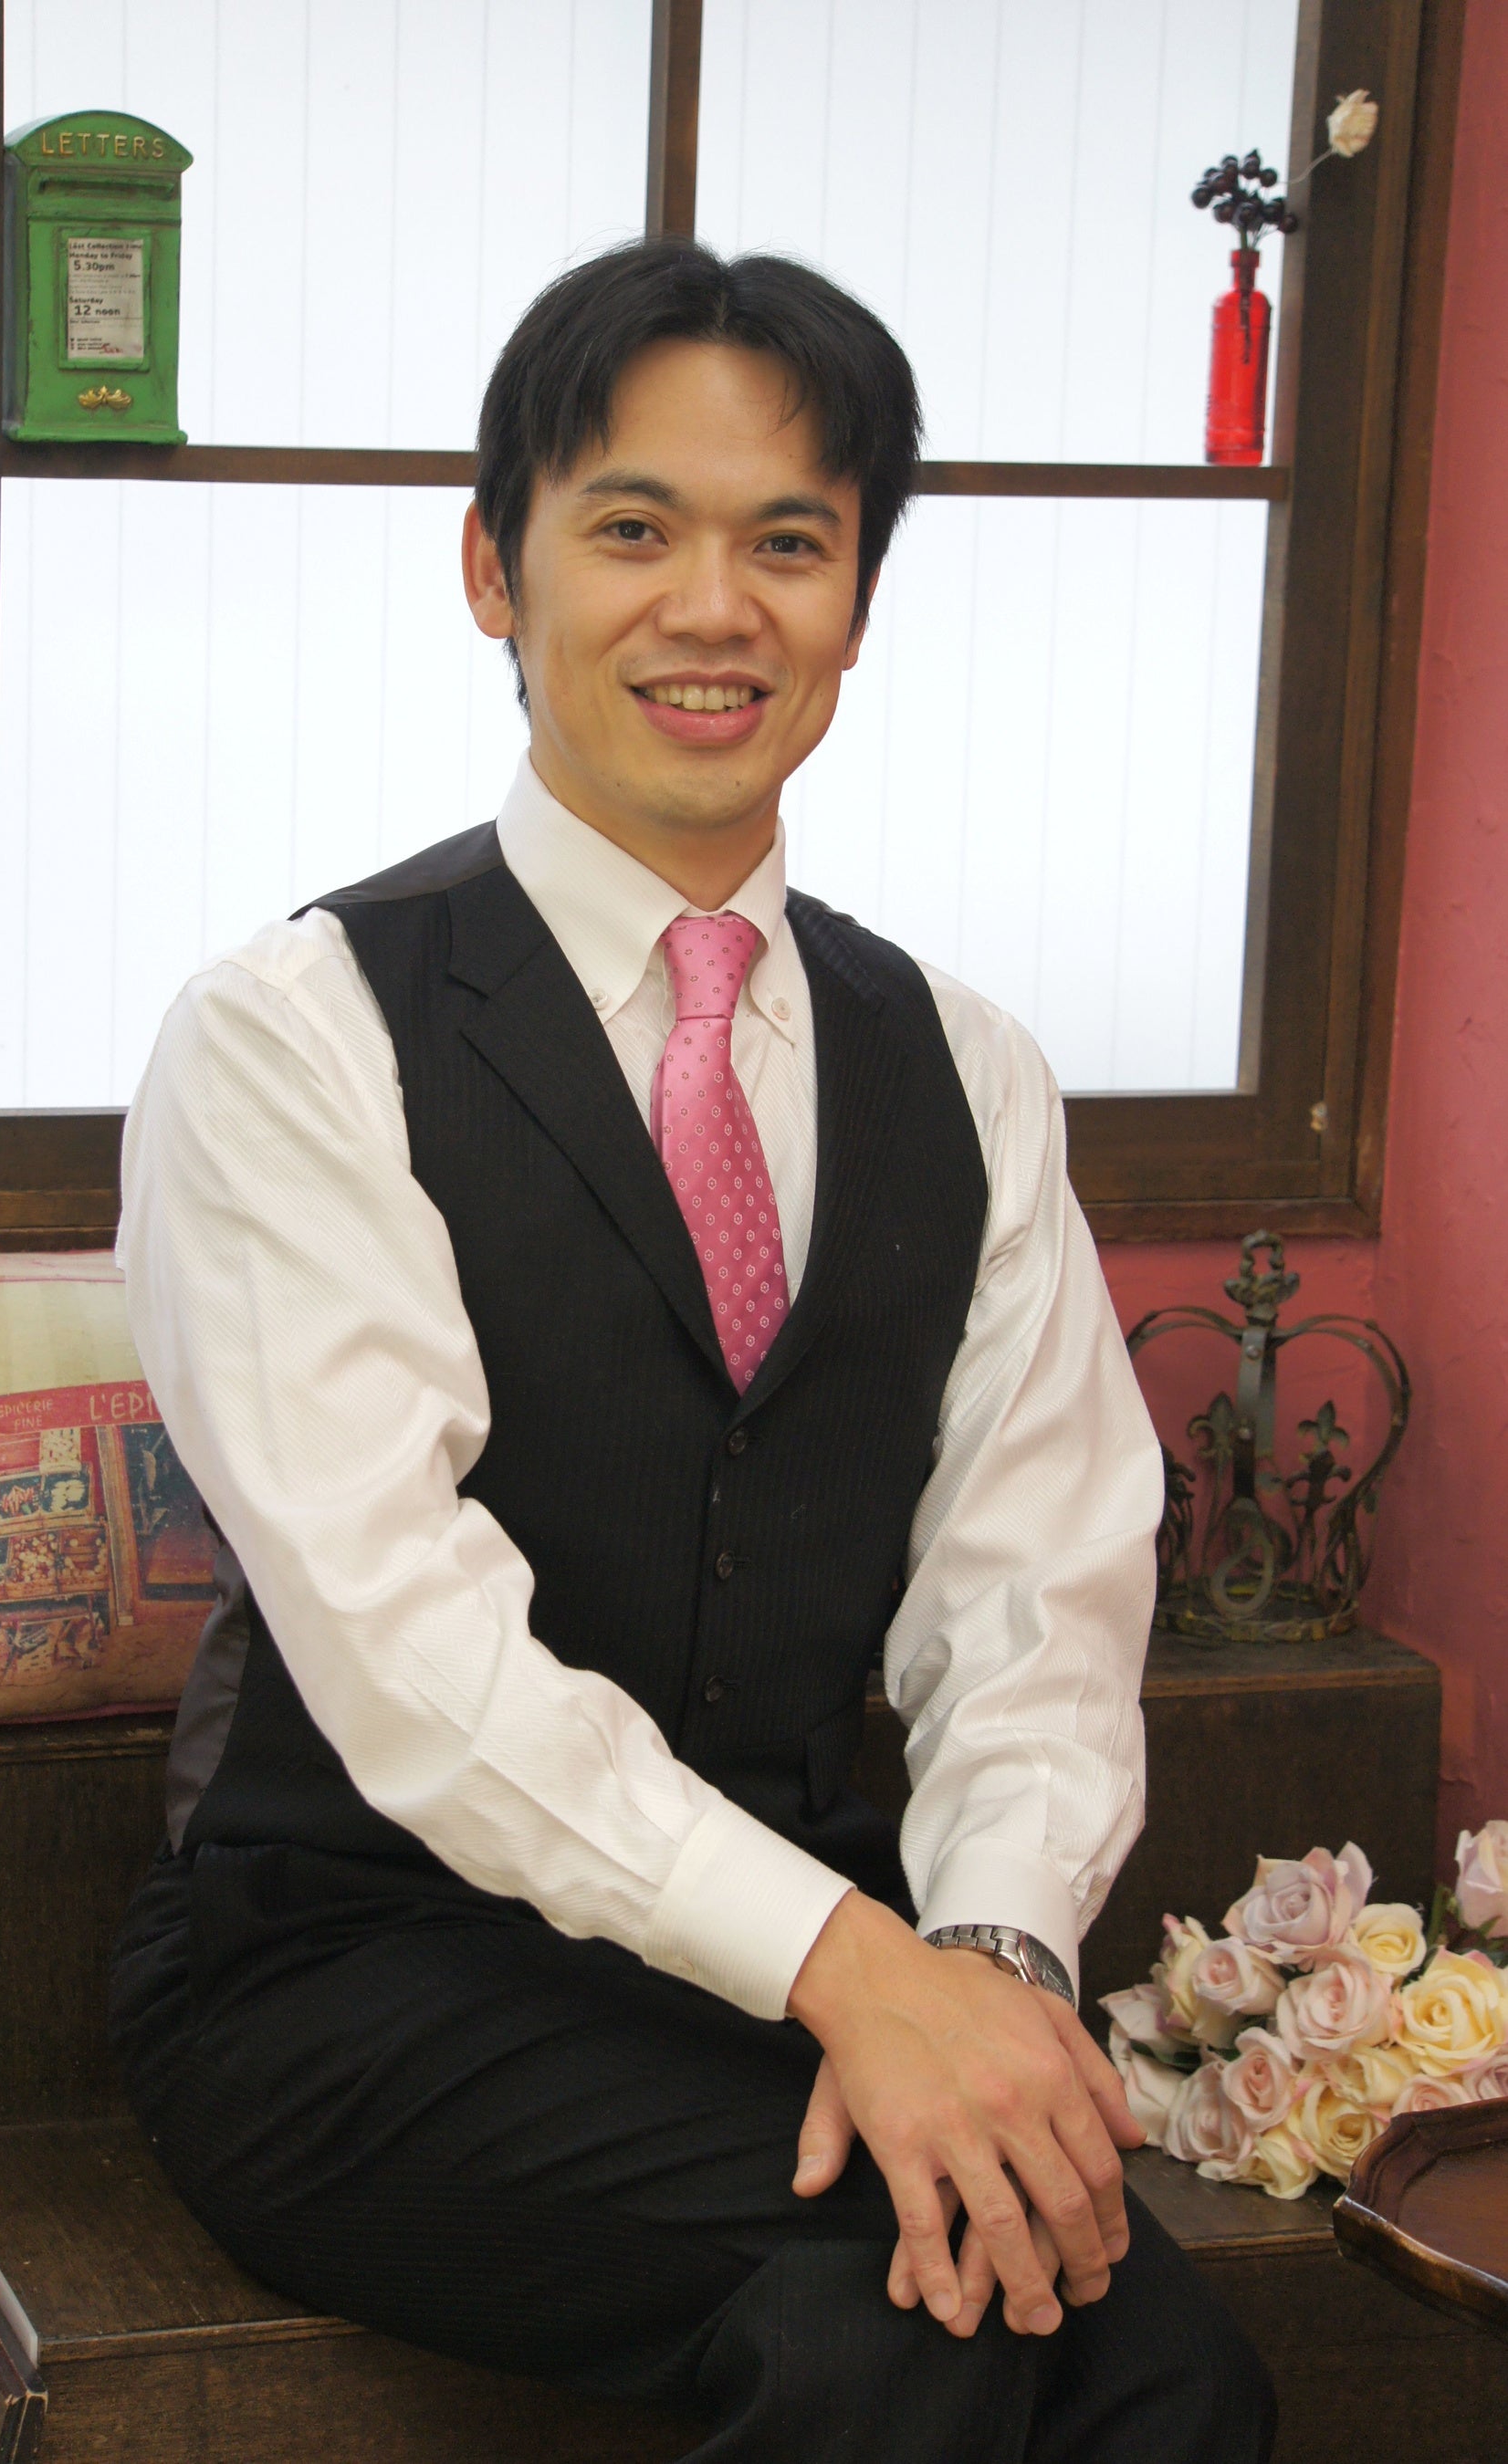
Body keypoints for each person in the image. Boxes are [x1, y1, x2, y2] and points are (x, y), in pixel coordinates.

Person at [110, 238, 1275, 2461]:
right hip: (355, 1978)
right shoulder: (295, 1036)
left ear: (857, 602)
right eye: (632, 528)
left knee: (1163, 2359)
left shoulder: (961, 1065)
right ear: (494, 567)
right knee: (906, 2311)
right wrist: (851, 1973)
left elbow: (1035, 1592)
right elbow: (406, 1646)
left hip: (806, 1967)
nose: (711, 609)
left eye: (789, 544)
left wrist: (987, 1974)